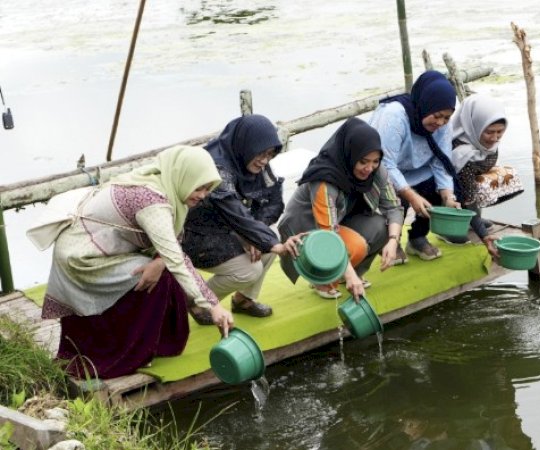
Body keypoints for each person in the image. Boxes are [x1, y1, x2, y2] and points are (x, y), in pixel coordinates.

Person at [40, 145, 234, 379]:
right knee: (156, 276)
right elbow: (176, 257)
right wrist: (213, 305)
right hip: (81, 258)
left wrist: (159, 261)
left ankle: (155, 343)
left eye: (207, 189)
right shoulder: (151, 200)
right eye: (200, 187)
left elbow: (171, 240)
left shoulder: (166, 185)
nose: (203, 195)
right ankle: (121, 354)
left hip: (105, 248)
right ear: (184, 175)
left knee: (159, 270)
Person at [182, 114, 303, 322]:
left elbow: (273, 202)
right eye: (261, 154)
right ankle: (199, 303)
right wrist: (255, 237)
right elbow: (230, 207)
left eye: (270, 155)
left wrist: (255, 234)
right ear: (247, 145)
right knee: (249, 269)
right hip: (194, 236)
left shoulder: (257, 163)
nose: (265, 161)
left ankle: (243, 300)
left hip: (228, 229)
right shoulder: (216, 166)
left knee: (268, 237)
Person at [277, 117, 403, 299]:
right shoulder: (324, 179)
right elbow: (329, 234)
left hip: (340, 220)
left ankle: (351, 274)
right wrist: (349, 274)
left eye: (375, 161)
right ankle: (323, 280)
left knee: (383, 226)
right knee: (356, 246)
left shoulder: (377, 170)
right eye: (363, 161)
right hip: (306, 232)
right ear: (350, 154)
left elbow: (393, 208)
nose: (369, 168)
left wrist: (393, 240)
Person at [368, 70, 459, 263]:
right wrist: (409, 194)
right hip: (381, 170)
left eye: (446, 118)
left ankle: (417, 238)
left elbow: (440, 160)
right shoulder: (394, 116)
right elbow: (384, 163)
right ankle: (391, 241)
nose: (440, 123)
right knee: (398, 201)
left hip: (416, 169)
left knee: (438, 190)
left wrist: (448, 196)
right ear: (425, 105)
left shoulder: (442, 126)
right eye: (437, 116)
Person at [445, 94, 508, 257]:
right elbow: (468, 198)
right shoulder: (462, 153)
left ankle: (473, 220)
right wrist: (484, 235)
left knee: (472, 188)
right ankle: (451, 228)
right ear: (475, 126)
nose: (495, 138)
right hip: (448, 192)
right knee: (465, 196)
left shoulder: (482, 141)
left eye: (500, 132)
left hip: (469, 184)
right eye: (489, 132)